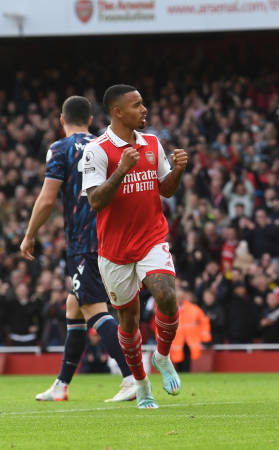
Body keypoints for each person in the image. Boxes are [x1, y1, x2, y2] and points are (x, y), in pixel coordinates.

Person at [20, 96, 138, 403]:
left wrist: (29, 235)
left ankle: (131, 376)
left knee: (93, 308)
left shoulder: (60, 149)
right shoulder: (104, 145)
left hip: (84, 241)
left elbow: (47, 199)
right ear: (90, 119)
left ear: (62, 119)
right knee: (75, 307)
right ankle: (61, 384)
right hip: (111, 235)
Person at [82, 84, 188, 409]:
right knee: (127, 321)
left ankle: (163, 356)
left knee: (168, 296)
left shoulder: (152, 143)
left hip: (151, 238)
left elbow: (165, 190)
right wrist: (121, 170)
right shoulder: (98, 150)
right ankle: (141, 384)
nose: (145, 109)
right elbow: (95, 200)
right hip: (114, 251)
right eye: (137, 105)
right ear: (117, 112)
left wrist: (178, 171)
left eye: (143, 103)